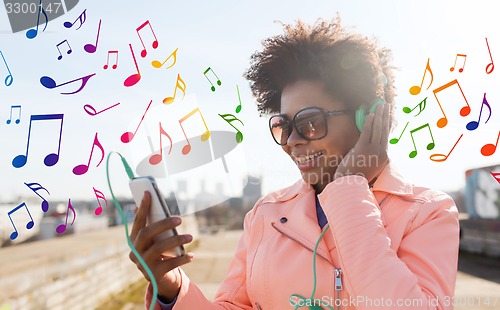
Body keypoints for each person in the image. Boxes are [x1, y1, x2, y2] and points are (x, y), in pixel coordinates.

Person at [129, 17, 460, 309]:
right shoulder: (266, 215)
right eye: (282, 126)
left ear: (367, 117)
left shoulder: (427, 212)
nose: (292, 140)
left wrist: (347, 190)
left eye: (310, 122)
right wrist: (173, 290)